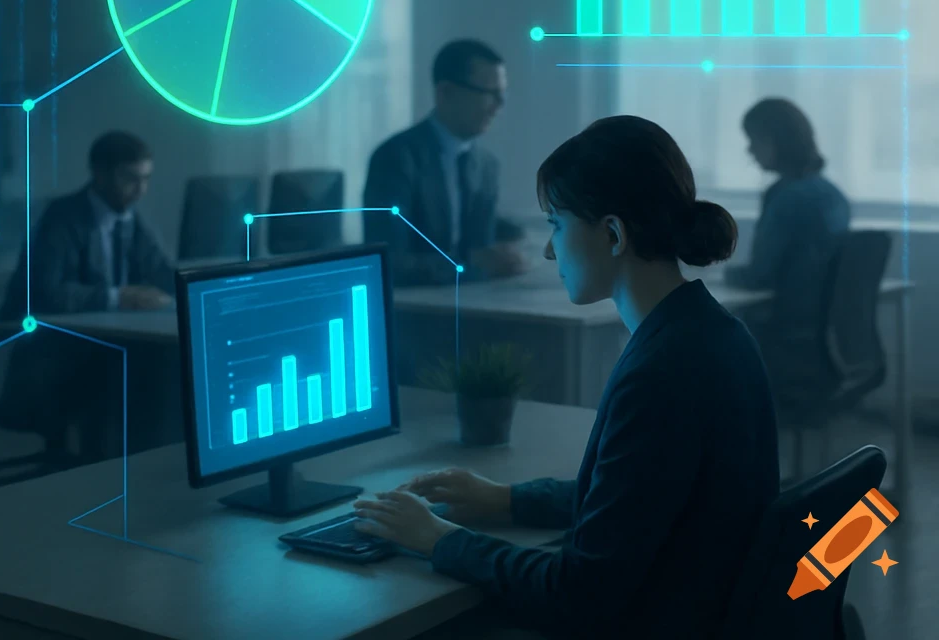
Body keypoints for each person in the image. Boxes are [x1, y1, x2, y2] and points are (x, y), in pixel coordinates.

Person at [352, 116, 779, 640]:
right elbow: (635, 498)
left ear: (614, 234)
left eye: (556, 223)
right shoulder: (713, 332)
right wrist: (506, 499)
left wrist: (438, 538)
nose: (550, 250)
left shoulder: (661, 374)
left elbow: (578, 593)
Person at [0, 131, 176, 457]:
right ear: (99, 174)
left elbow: (162, 271)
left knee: (166, 365)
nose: (140, 190)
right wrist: (118, 297)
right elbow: (47, 294)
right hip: (52, 356)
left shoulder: (130, 219)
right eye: (130, 179)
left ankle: (142, 467)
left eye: (145, 179)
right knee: (139, 372)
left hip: (103, 348)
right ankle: (107, 474)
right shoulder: (62, 218)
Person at [363, 39, 526, 285]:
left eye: (502, 94)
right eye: (490, 94)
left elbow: (483, 251)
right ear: (446, 92)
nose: (499, 105)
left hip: (476, 305)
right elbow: (389, 261)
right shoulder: (396, 159)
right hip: (418, 313)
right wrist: (468, 263)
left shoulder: (485, 166)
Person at [725, 98, 850, 379]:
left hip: (785, 331)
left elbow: (760, 276)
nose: (750, 150)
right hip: (824, 334)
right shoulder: (834, 195)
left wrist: (721, 275)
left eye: (754, 140)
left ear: (774, 142)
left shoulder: (786, 198)